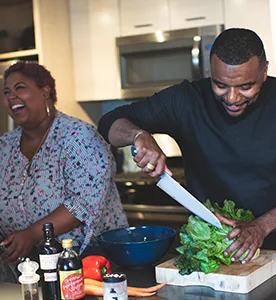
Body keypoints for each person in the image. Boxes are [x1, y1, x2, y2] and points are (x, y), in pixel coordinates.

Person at [98, 28, 276, 264]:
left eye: (245, 87)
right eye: (220, 85)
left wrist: (262, 226)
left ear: (264, 71)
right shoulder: (186, 100)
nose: (232, 98)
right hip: (210, 248)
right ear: (210, 72)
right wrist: (138, 135)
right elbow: (108, 122)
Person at [0, 61, 128, 280]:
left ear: (45, 91)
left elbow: (82, 203)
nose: (11, 97)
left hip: (88, 265)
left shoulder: (79, 137)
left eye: (20, 88)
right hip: (25, 270)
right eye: (6, 92)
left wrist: (31, 234)